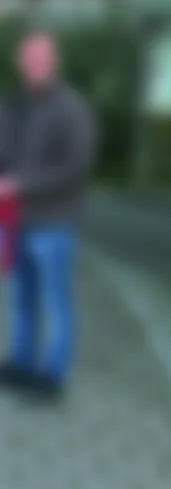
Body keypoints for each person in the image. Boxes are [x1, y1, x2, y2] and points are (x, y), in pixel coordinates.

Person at [0, 31, 93, 399]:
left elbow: (75, 165)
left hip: (54, 222)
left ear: (54, 62)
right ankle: (22, 363)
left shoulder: (70, 107)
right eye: (28, 59)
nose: (33, 65)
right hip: (17, 221)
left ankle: (53, 374)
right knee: (22, 297)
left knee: (56, 301)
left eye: (40, 59)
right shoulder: (15, 104)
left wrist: (21, 184)